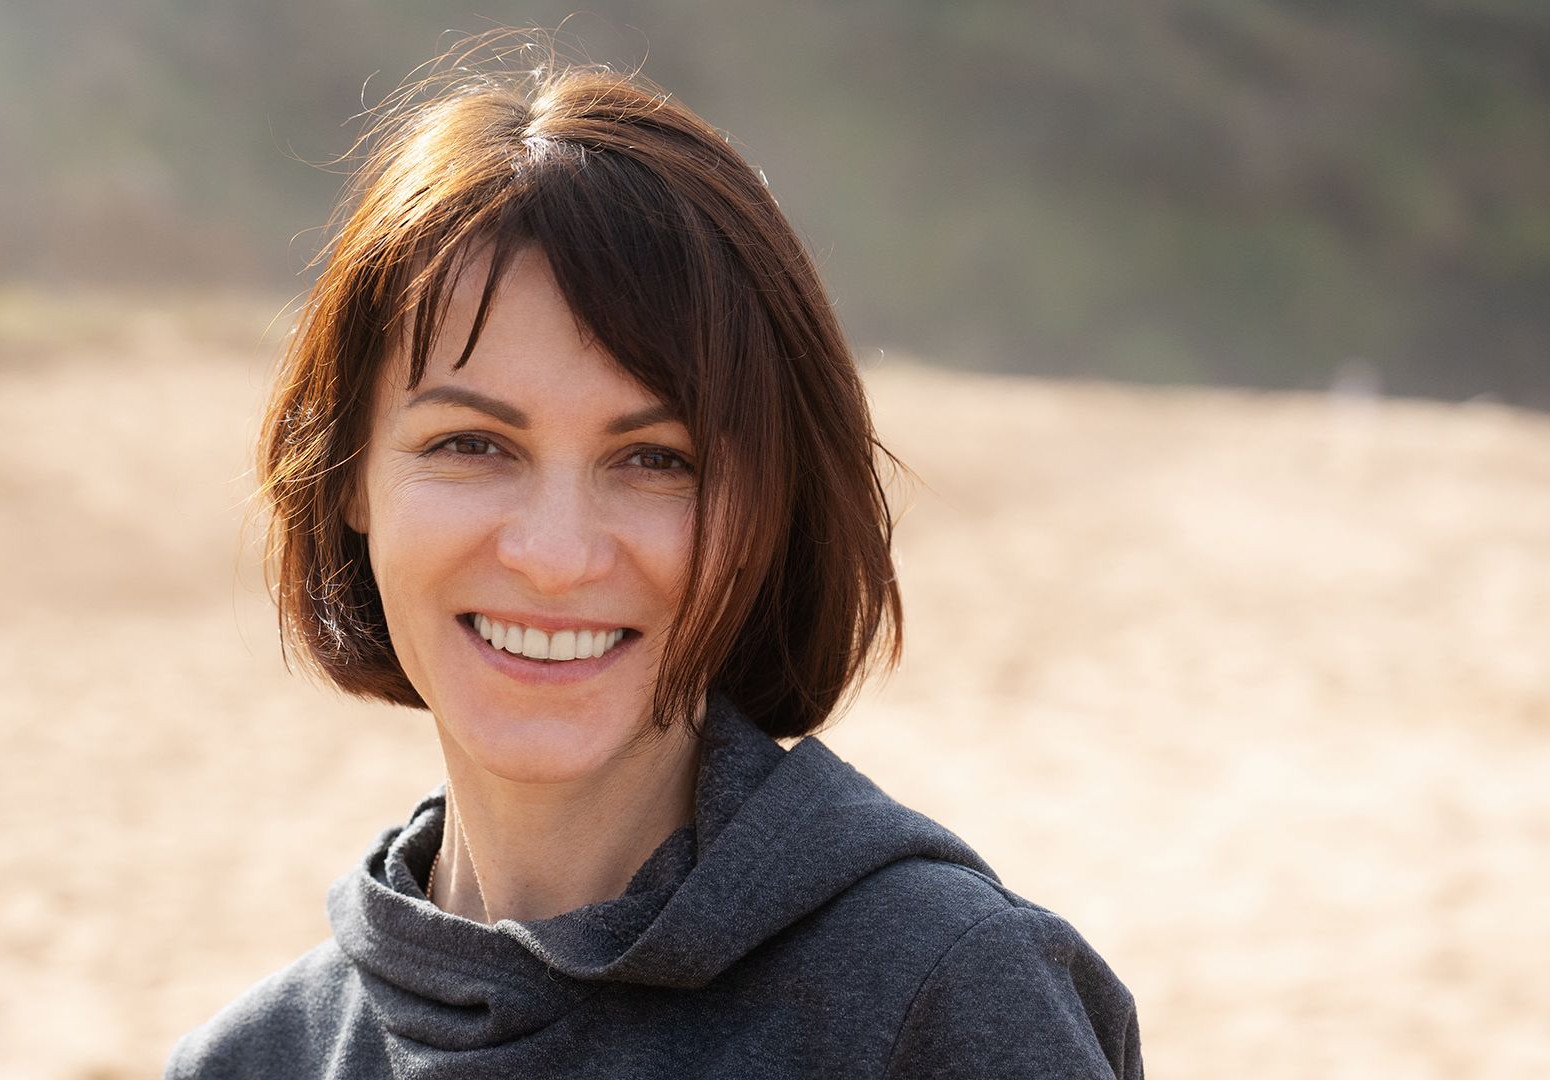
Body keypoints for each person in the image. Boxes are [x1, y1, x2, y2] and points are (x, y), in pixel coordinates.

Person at [167, 36, 1142, 1080]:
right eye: (471, 445)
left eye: (653, 459)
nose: (554, 555)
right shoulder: (251, 1061)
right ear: (349, 474)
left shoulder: (944, 999)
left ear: (766, 509)